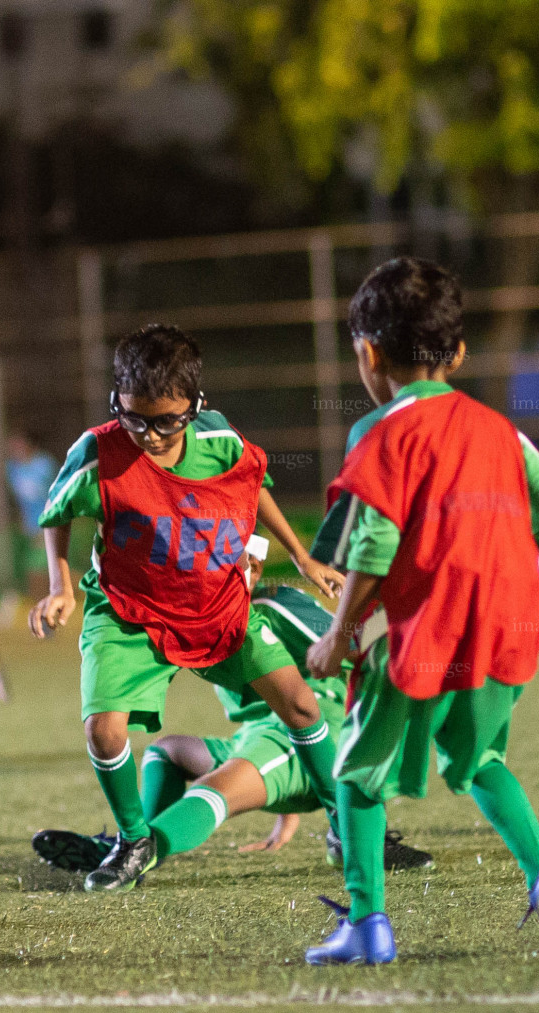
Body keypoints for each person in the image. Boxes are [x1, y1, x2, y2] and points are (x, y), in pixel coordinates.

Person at [302, 257, 539, 966]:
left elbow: (373, 545)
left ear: (368, 353)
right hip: (508, 624)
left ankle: (369, 925)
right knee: (480, 761)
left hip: (420, 631)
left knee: (355, 775)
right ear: (459, 352)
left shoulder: (378, 433)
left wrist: (338, 637)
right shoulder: (502, 431)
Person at [29, 323, 347, 894]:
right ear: (117, 404)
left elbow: (254, 488)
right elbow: (56, 515)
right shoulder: (98, 451)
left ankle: (348, 828)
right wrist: (62, 585)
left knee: (301, 706)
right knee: (104, 733)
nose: (149, 435)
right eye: (134, 417)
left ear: (195, 406)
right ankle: (132, 842)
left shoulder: (222, 442)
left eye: (166, 421)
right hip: (130, 610)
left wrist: (301, 557)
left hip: (216, 604)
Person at [30, 545, 433, 875]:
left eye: (221, 565)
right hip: (262, 742)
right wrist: (288, 811)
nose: (204, 578)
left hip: (307, 736)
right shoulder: (199, 620)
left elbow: (361, 641)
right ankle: (134, 843)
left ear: (253, 568)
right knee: (165, 753)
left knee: (215, 789)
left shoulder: (275, 604)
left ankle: (133, 850)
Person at [6, 429, 58, 598]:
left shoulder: (44, 465)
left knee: (41, 568)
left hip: (45, 524)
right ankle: (37, 602)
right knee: (27, 568)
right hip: (27, 526)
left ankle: (48, 601)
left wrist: (49, 524)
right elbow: (20, 500)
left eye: (19, 444)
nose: (15, 449)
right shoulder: (14, 468)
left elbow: (56, 495)